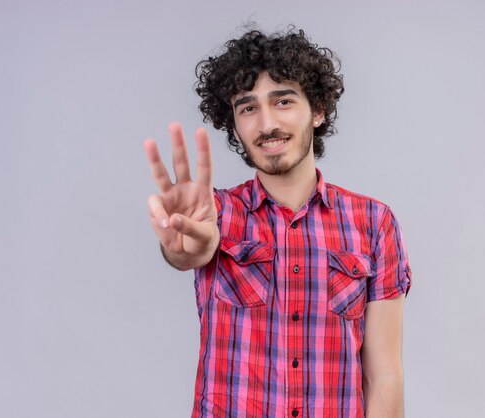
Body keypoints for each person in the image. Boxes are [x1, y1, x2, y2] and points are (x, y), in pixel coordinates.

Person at [143, 27, 412, 418]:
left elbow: (384, 375)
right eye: (248, 108)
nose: (266, 123)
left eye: (283, 100)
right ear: (234, 124)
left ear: (317, 110)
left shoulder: (373, 223)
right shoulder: (215, 213)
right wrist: (181, 247)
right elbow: (190, 251)